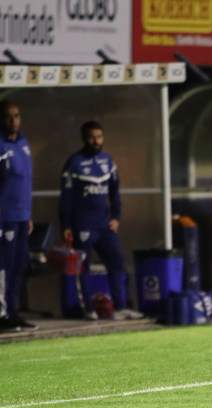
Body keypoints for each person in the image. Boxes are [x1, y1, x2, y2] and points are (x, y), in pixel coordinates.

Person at [59, 121, 144, 321]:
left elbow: (115, 192)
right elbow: (66, 198)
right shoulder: (74, 162)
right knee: (83, 266)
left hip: (105, 224)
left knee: (117, 261)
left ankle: (120, 308)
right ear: (84, 138)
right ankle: (87, 309)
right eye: (91, 137)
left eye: (99, 136)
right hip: (83, 224)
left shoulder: (108, 160)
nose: (96, 141)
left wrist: (116, 217)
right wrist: (66, 225)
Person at [0, 100, 37, 331]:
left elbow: (25, 182)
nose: (13, 120)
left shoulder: (23, 143)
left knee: (18, 265)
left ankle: (13, 312)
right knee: (3, 266)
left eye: (17, 115)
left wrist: (29, 214)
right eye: (8, 116)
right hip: (5, 217)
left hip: (22, 216)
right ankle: (2, 314)